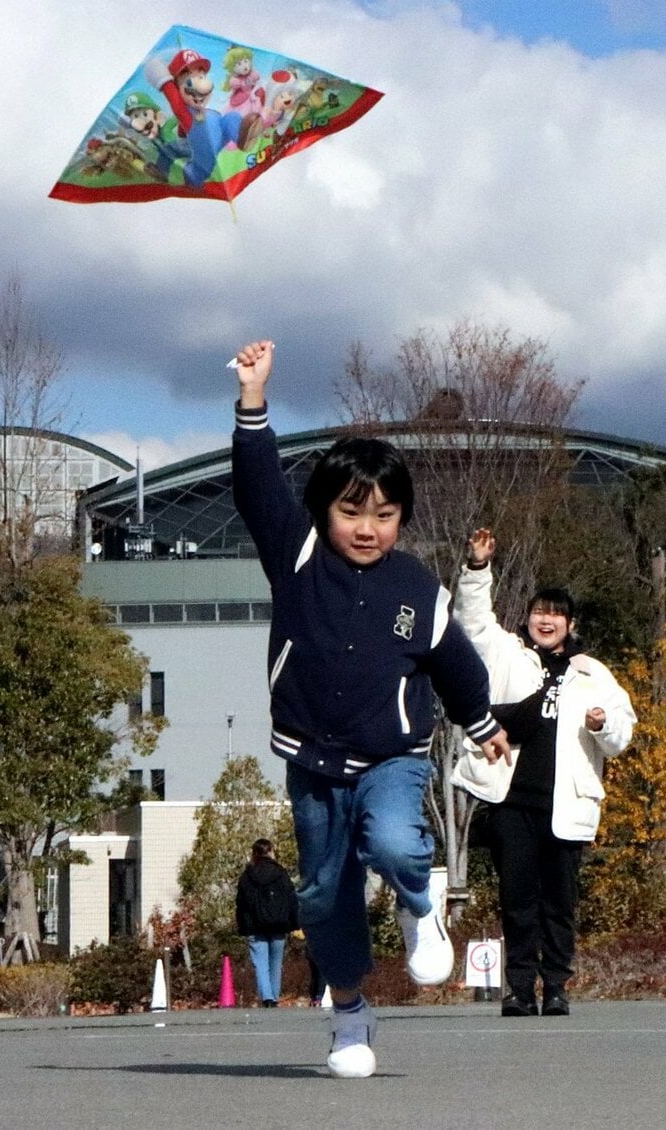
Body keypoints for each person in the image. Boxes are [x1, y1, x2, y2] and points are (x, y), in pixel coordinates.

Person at [230, 340, 510, 1078]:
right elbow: (259, 488)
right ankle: (350, 1014)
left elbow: (456, 663)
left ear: (402, 521)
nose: (367, 527)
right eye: (352, 511)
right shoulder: (296, 557)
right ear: (323, 512)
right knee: (323, 892)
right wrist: (253, 402)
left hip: (392, 756)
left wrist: (481, 725)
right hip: (312, 762)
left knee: (391, 841)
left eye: (385, 514)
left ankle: (421, 902)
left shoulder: (417, 589)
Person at [451, 528, 636, 1018]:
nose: (545, 620)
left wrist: (603, 723)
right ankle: (517, 989)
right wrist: (476, 568)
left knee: (559, 903)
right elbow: (472, 622)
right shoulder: (509, 653)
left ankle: (556, 985)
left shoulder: (594, 672)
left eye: (555, 613)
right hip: (512, 800)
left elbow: (622, 737)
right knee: (517, 901)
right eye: (539, 611)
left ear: (569, 623)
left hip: (568, 805)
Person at [235, 838, 299, 1007]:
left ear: (254, 854)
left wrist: (243, 926)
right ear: (271, 852)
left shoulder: (247, 876)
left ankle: (267, 997)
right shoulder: (281, 874)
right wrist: (295, 923)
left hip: (255, 926)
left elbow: (241, 905)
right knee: (276, 963)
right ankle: (274, 996)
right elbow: (291, 899)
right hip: (279, 924)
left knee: (261, 963)